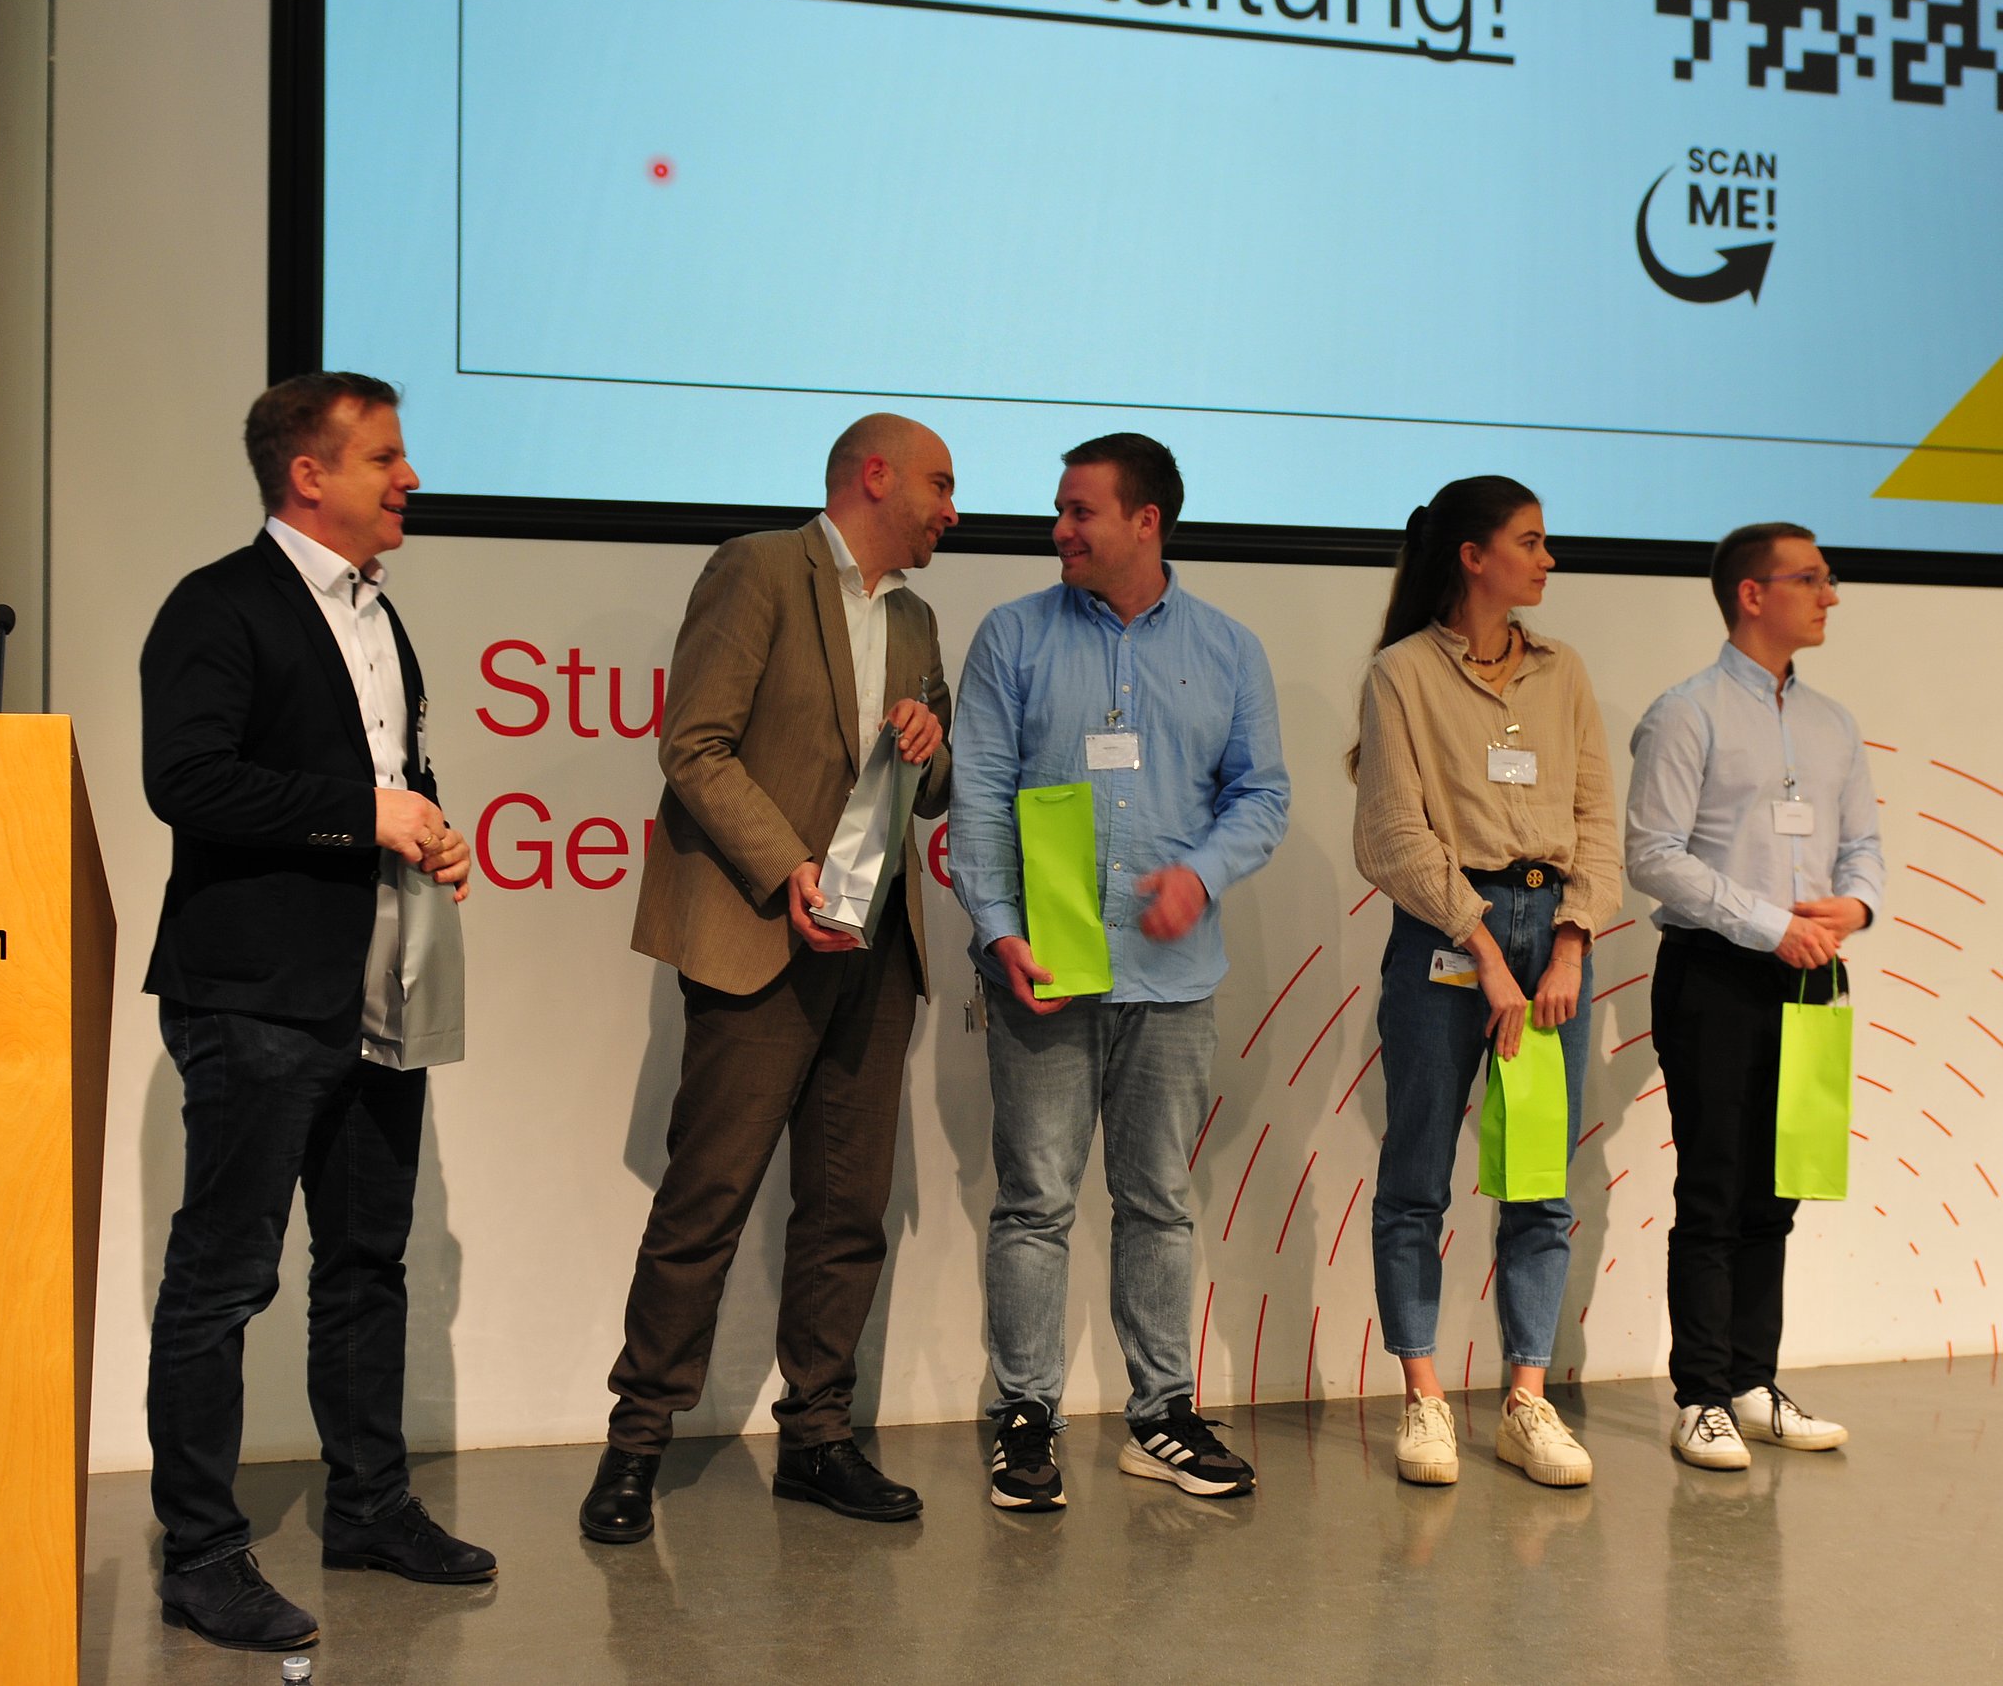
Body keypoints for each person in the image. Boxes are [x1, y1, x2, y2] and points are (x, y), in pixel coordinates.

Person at [139, 371, 490, 1653]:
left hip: (375, 988)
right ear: (309, 474)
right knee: (224, 1276)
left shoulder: (379, 615)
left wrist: (428, 822)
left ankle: (369, 1506)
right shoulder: (218, 604)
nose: (410, 478)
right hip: (255, 997)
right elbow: (186, 778)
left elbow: (391, 773)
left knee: (366, 1260)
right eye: (385, 457)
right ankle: (201, 1552)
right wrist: (365, 814)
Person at [580, 414, 955, 1544]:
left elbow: (933, 793)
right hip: (761, 938)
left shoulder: (917, 617)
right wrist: (787, 866)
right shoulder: (756, 569)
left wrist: (930, 741)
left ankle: (818, 1438)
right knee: (707, 1199)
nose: (952, 510)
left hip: (875, 951)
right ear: (875, 477)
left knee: (848, 1208)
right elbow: (693, 744)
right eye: (939, 484)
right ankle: (636, 1441)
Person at [950, 432, 1290, 1511]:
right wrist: (997, 929)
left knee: (1159, 1202)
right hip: (1042, 970)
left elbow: (1263, 796)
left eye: (1080, 511)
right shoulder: (1011, 636)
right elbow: (977, 795)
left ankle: (1160, 1415)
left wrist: (1202, 872)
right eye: (1059, 508)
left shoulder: (1228, 649)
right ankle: (1024, 1419)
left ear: (1147, 521)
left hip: (1172, 976)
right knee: (1034, 1203)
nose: (1059, 529)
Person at [1350, 475, 1619, 1489]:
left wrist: (1570, 945)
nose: (1548, 559)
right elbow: (1392, 835)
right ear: (1473, 555)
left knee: (1539, 1181)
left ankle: (1525, 1400)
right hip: (1444, 934)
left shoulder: (1563, 670)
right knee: (1417, 1176)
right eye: (1530, 540)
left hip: (1552, 934)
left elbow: (1595, 819)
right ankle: (1424, 1396)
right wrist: (1487, 954)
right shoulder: (1402, 674)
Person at [1625, 522, 1884, 1471]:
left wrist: (1856, 905)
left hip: (1811, 975)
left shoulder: (1833, 723)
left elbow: (1864, 845)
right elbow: (1652, 856)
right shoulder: (1685, 713)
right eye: (1811, 578)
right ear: (1752, 594)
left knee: (1779, 1189)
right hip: (1716, 973)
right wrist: (1769, 923)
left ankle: (1752, 1381)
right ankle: (1700, 1396)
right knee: (1715, 1187)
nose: (1830, 595)